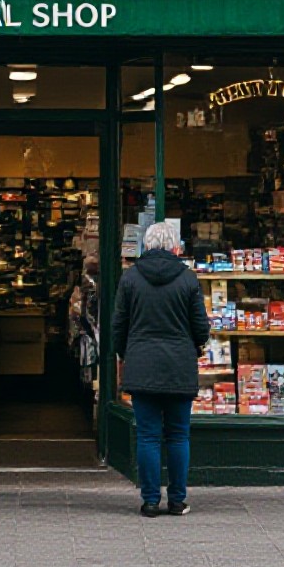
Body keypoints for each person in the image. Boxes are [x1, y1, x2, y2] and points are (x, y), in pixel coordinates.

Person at [112, 221, 210, 518]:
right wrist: (195, 346)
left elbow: (119, 325)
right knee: (179, 435)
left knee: (148, 436)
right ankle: (177, 500)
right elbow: (201, 328)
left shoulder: (130, 279)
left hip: (142, 365)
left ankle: (151, 501)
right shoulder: (188, 280)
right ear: (174, 247)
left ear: (147, 245)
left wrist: (125, 352)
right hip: (179, 366)